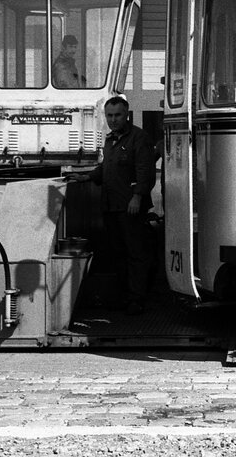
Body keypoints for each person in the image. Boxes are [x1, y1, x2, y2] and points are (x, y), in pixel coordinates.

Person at [67, 96, 156, 314]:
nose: (113, 120)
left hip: (130, 208)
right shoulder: (110, 140)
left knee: (136, 253)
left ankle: (137, 299)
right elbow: (106, 169)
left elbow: (146, 172)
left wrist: (137, 197)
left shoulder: (138, 138)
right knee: (118, 253)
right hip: (111, 206)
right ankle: (124, 297)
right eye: (109, 115)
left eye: (117, 115)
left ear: (127, 115)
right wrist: (86, 177)